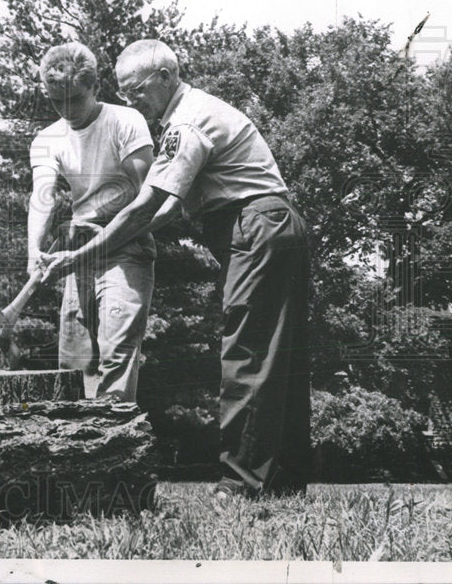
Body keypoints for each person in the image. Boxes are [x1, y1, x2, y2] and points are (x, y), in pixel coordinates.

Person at [41, 39, 311, 500]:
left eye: (137, 90)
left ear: (165, 77)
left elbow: (146, 205)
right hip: (277, 223)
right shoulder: (194, 112)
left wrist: (83, 256)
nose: (131, 102)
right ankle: (283, 480)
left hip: (254, 225)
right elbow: (168, 209)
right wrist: (115, 239)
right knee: (279, 357)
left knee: (246, 350)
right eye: (123, 94)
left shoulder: (185, 122)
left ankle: (241, 484)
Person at [28, 42, 156, 402]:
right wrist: (33, 251)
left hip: (127, 243)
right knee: (74, 361)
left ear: (95, 87)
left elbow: (146, 194)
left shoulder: (125, 121)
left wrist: (99, 218)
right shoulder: (47, 139)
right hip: (79, 252)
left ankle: (115, 445)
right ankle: (79, 449)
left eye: (75, 99)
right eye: (57, 101)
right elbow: (43, 197)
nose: (66, 110)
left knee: (115, 354)